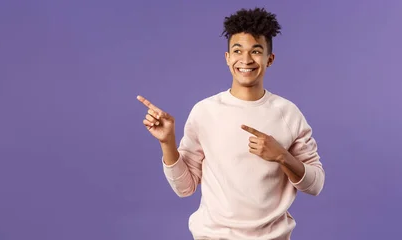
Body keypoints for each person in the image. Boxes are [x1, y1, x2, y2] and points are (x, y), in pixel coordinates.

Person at [136, 7, 325, 240]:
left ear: (270, 59)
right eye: (238, 50)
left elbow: (315, 185)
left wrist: (282, 156)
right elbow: (184, 188)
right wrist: (167, 142)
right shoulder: (205, 111)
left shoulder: (288, 113)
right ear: (228, 58)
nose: (246, 60)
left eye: (256, 51)